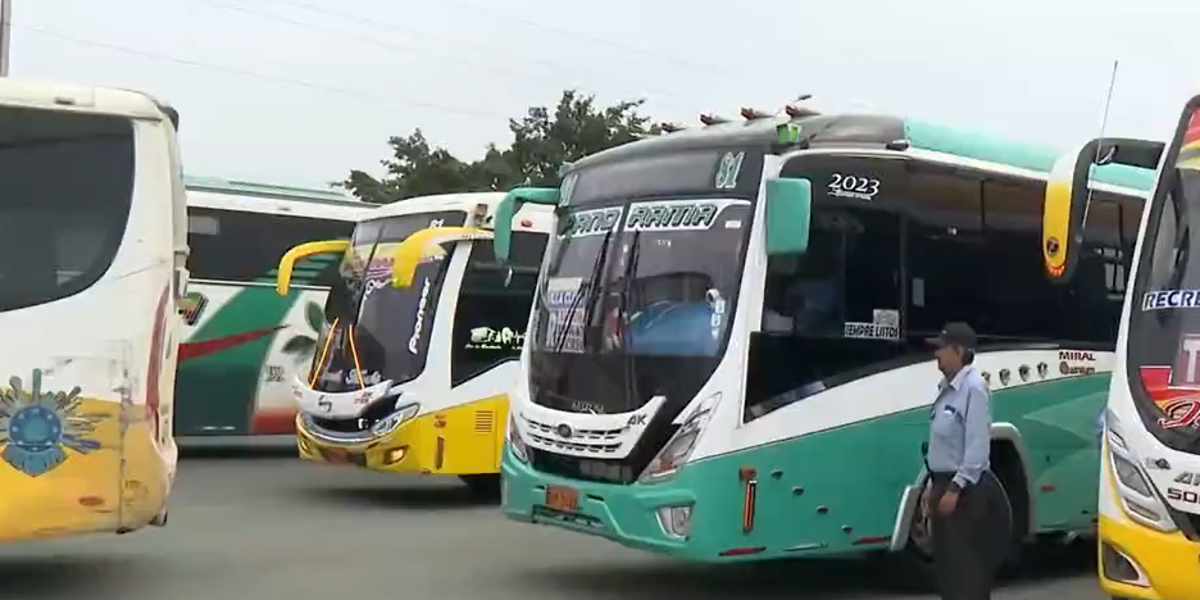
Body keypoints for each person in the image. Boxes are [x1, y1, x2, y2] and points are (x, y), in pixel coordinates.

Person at [922, 322, 999, 600]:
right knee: (947, 571)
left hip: (965, 493)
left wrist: (955, 488)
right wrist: (934, 486)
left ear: (959, 350)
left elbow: (977, 447)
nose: (936, 355)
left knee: (966, 571)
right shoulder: (947, 389)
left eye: (941, 348)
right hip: (944, 485)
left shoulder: (974, 389)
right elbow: (942, 444)